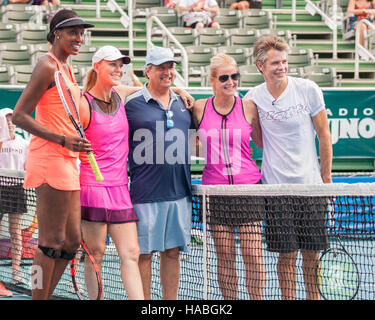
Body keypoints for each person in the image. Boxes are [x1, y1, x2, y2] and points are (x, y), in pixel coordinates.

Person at [12, 9, 94, 300]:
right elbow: (19, 116)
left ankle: (42, 295)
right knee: (49, 243)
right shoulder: (47, 65)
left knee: (71, 243)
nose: (79, 38)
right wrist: (63, 140)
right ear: (57, 33)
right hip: (49, 159)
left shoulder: (67, 67)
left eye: (82, 33)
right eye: (73, 32)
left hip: (68, 161)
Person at [243, 35, 333, 300]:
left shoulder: (308, 89)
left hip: (310, 187)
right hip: (276, 189)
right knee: (286, 255)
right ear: (261, 66)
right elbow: (256, 138)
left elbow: (324, 135)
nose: (281, 67)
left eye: (284, 61)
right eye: (275, 63)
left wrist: (326, 179)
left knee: (311, 255)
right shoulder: (253, 98)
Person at [192, 53, 264, 300]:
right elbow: (190, 144)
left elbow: (264, 142)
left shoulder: (249, 107)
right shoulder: (199, 107)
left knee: (252, 254)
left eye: (235, 76)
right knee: (224, 256)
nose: (231, 82)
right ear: (212, 80)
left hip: (249, 189)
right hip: (215, 191)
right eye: (224, 77)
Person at [125, 46, 193, 300]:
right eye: (161, 67)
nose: (167, 72)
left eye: (171, 67)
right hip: (144, 195)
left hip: (179, 194)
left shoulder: (184, 103)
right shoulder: (131, 104)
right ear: (148, 71)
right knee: (144, 254)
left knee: (172, 252)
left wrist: (179, 91)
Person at [78, 45, 145, 300]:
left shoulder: (121, 93)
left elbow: (148, 90)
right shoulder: (83, 104)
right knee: (95, 254)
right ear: (97, 66)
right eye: (112, 64)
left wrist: (180, 90)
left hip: (120, 189)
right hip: (92, 189)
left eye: (121, 65)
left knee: (131, 253)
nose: (118, 70)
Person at [0, 108, 29, 289]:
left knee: (15, 232)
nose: (9, 123)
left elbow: (27, 168)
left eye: (11, 120)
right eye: (6, 120)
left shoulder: (24, 144)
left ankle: (16, 272)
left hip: (16, 189)